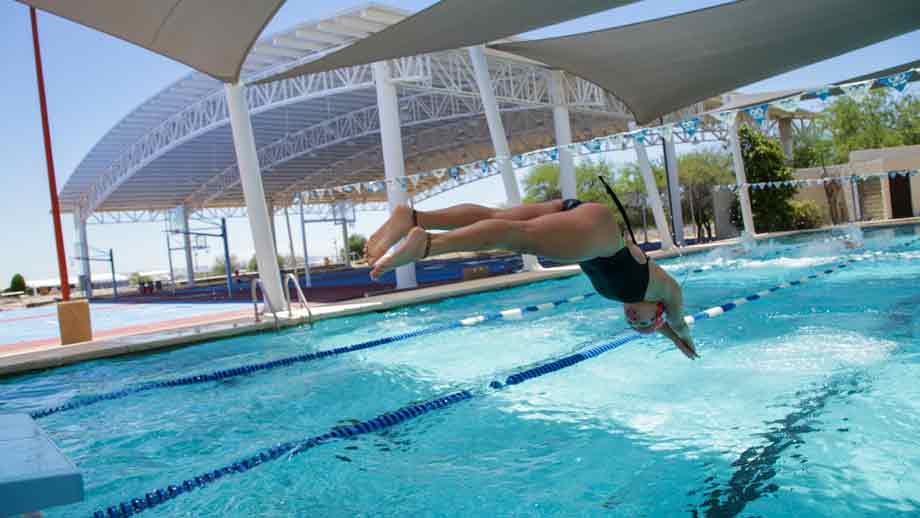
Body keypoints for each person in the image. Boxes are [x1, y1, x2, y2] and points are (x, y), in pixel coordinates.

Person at [365, 178, 699, 360]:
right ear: (657, 310)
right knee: (518, 238)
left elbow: (661, 325)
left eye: (631, 323)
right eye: (639, 320)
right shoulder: (664, 289)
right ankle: (426, 246)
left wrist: (664, 336)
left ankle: (411, 218)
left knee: (497, 218)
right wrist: (681, 338)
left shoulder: (640, 299)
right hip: (598, 234)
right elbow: (678, 319)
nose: (630, 317)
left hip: (578, 217)